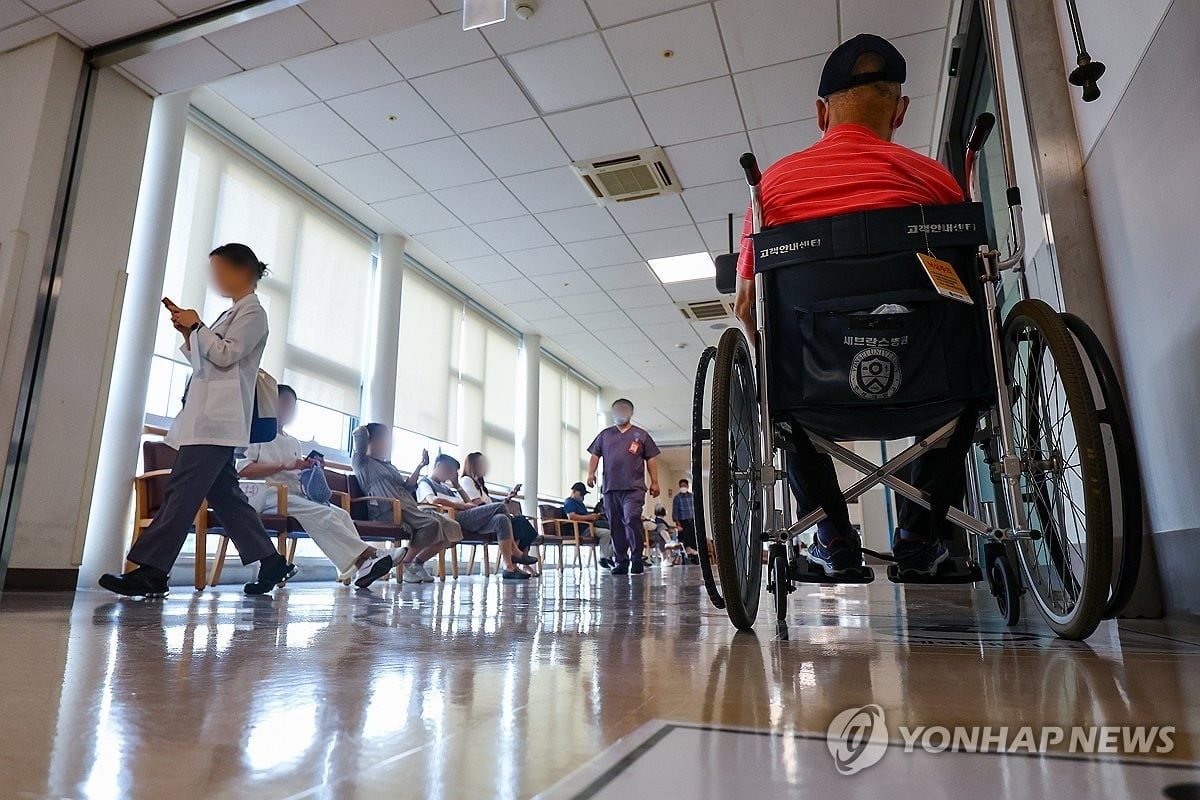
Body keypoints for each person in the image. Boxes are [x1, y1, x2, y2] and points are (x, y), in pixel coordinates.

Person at [732, 34, 967, 579]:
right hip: (931, 380)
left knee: (780, 401)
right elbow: (967, 288)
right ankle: (916, 535)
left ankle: (835, 540)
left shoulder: (771, 190)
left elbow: (746, 309)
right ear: (901, 110)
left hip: (814, 385)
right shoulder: (936, 179)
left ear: (821, 112)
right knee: (969, 380)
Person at [99, 243, 294, 597]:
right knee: (227, 496)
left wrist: (198, 325)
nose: (216, 278)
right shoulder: (231, 313)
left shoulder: (253, 313)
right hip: (207, 418)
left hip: (217, 422)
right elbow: (205, 359)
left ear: (242, 271)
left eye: (220, 271)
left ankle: (152, 571)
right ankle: (271, 561)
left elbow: (225, 354)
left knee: (181, 491)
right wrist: (189, 332)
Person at [237, 385, 399, 588]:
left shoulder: (293, 442)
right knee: (324, 514)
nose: (287, 410)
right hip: (267, 494)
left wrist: (311, 468)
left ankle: (362, 566)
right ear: (269, 403)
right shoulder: (255, 434)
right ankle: (370, 555)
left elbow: (296, 476)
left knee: (341, 514)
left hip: (294, 495)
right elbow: (243, 469)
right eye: (283, 403)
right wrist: (282, 465)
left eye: (291, 406)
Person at [351, 424, 463, 583]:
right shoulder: (361, 461)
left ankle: (417, 563)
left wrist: (421, 465)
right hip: (388, 508)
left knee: (450, 527)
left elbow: (408, 486)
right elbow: (359, 433)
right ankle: (404, 564)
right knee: (431, 524)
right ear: (370, 440)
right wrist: (369, 428)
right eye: (383, 438)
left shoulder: (389, 465)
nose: (387, 442)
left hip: (407, 506)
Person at [416, 454, 535, 580]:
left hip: (466, 517)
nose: (450, 475)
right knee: (501, 507)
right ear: (439, 466)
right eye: (450, 471)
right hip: (453, 517)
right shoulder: (425, 482)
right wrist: (461, 506)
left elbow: (470, 504)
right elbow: (433, 500)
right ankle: (515, 552)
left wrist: (457, 486)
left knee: (502, 519)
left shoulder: (447, 488)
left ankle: (509, 567)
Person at [586, 398, 660, 576]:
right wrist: (591, 473)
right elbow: (595, 455)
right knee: (616, 525)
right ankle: (621, 561)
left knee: (631, 517)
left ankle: (636, 557)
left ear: (630, 412)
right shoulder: (605, 435)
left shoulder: (641, 435)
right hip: (611, 488)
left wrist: (655, 481)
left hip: (633, 488)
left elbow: (651, 459)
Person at [460, 451, 538, 556]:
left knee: (525, 525)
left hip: (489, 516)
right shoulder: (466, 480)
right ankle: (514, 556)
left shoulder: (481, 486)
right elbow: (479, 504)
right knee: (519, 523)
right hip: (478, 519)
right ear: (473, 465)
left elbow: (493, 507)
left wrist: (508, 498)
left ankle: (520, 559)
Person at [563, 481, 613, 569]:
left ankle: (607, 556)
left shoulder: (580, 504)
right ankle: (604, 557)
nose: (582, 496)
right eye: (581, 494)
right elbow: (572, 517)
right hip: (580, 529)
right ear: (574, 491)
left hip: (588, 527)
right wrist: (590, 517)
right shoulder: (569, 502)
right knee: (606, 533)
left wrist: (594, 517)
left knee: (612, 530)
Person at [671, 479, 700, 564]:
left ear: (687, 486)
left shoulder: (692, 496)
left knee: (694, 539)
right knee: (686, 539)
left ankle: (696, 559)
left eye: (684, 486)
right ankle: (687, 557)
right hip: (683, 522)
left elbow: (696, 509)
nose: (683, 487)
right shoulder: (677, 498)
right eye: (681, 486)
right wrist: (677, 523)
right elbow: (675, 512)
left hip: (692, 520)